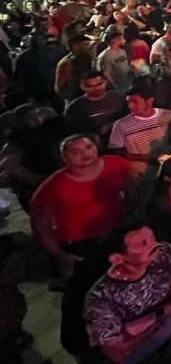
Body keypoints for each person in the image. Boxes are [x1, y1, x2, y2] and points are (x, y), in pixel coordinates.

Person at [30, 134, 132, 355]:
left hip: (114, 236)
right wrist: (60, 255)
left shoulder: (117, 165)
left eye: (87, 147)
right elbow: (42, 226)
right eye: (75, 152)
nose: (84, 154)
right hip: (80, 246)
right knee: (83, 295)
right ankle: (82, 344)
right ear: (64, 158)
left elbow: (135, 189)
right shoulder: (52, 187)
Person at [83, 223, 171, 363]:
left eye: (152, 238)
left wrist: (149, 319)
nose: (153, 245)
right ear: (117, 258)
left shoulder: (162, 253)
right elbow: (118, 352)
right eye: (142, 243)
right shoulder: (101, 299)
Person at [108, 79, 171, 173]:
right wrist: (146, 158)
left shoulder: (168, 115)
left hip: (168, 166)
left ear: (150, 101)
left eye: (134, 102)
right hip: (138, 170)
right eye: (128, 102)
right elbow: (116, 153)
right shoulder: (121, 125)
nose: (130, 106)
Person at [64, 69, 127, 147]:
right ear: (81, 86)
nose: (96, 88)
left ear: (105, 82)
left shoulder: (119, 98)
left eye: (99, 84)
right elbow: (72, 132)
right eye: (89, 86)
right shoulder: (75, 108)